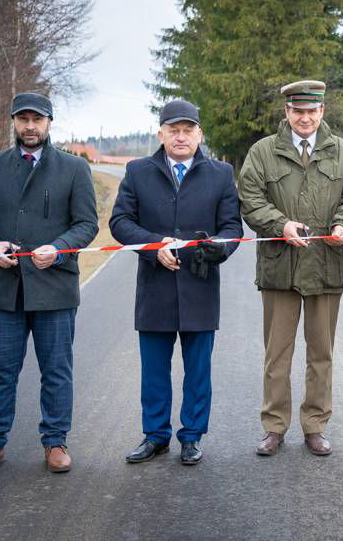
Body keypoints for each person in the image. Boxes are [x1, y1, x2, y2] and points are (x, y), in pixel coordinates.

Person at [0, 92, 98, 474]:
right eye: (22, 119)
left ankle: (55, 443)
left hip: (54, 287)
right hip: (6, 288)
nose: (29, 126)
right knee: (0, 370)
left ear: (49, 123)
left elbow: (86, 224)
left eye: (36, 119)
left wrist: (58, 248)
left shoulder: (73, 169)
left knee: (56, 370)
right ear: (13, 122)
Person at [238, 80, 343, 456]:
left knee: (321, 354)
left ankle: (315, 425)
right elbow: (249, 198)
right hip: (280, 268)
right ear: (287, 113)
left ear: (322, 112)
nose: (305, 118)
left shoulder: (342, 152)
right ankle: (274, 427)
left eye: (312, 111)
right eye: (298, 111)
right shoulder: (264, 151)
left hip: (326, 266)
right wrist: (279, 225)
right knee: (276, 355)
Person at [110, 99, 243, 465]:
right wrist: (153, 247)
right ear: (161, 134)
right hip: (154, 287)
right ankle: (155, 436)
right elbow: (120, 223)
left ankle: (192, 436)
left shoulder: (220, 174)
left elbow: (233, 227)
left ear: (199, 134)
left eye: (188, 130)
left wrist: (220, 248)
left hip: (200, 287)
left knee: (198, 371)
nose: (181, 137)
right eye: (173, 130)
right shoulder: (138, 171)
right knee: (154, 370)